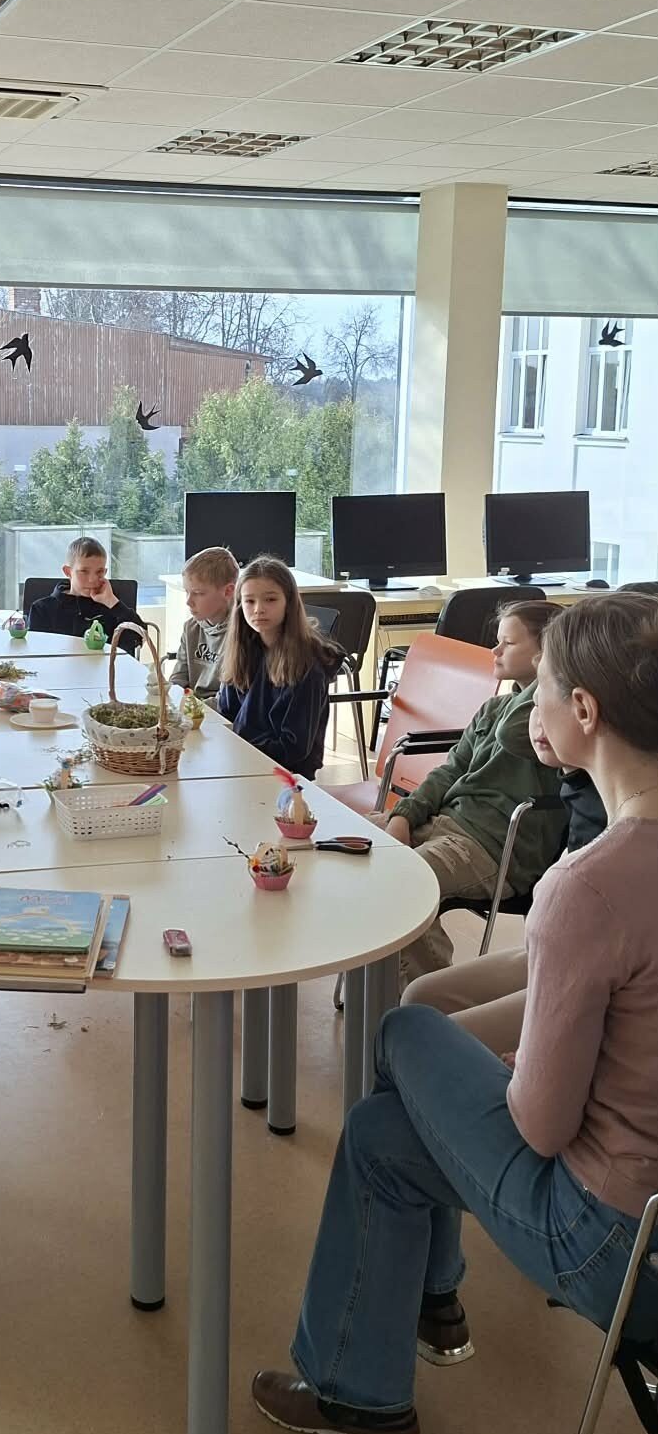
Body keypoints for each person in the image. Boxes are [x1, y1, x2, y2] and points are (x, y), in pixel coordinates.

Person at [251, 592, 658, 1434]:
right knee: (383, 1125)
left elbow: (541, 1123)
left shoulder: (590, 883)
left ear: (583, 710)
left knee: (403, 1034)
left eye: (543, 686)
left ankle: (373, 1368)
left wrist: (511, 1068)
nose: (532, 702)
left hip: (608, 1238)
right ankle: (404, 1340)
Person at [401, 703, 607, 1056]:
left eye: (544, 696)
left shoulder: (618, 813)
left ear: (584, 707)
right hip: (566, 948)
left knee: (416, 1039)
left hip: (591, 967)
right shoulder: (582, 780)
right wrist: (404, 815)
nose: (537, 715)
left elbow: (511, 732)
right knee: (417, 1000)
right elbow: (457, 764)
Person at [378, 600, 567, 984]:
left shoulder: (550, 717)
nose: (494, 651)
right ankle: (381, 984)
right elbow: (450, 769)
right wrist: (403, 816)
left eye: (508, 643)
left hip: (493, 847)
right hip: (445, 823)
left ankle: (430, 996)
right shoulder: (493, 708)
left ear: (545, 655)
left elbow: (511, 734)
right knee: (347, 848)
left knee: (402, 883)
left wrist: (553, 673)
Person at [215, 555, 343, 778]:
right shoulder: (244, 650)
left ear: (289, 603)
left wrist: (240, 745)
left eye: (271, 600)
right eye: (249, 601)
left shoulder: (307, 666)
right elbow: (226, 715)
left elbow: (293, 748)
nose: (258, 609)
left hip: (286, 777)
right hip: (242, 764)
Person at [25, 536, 146, 649]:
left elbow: (139, 638)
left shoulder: (112, 608)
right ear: (68, 572)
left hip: (103, 665)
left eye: (99, 572)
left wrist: (112, 602)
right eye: (84, 571)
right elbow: (37, 650)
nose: (92, 579)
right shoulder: (42, 609)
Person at [169, 545, 238, 702]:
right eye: (187, 592)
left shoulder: (241, 634)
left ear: (228, 591)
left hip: (218, 711)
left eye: (198, 593)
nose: (188, 601)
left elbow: (230, 700)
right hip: (192, 707)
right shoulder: (190, 628)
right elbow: (178, 679)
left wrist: (192, 709)